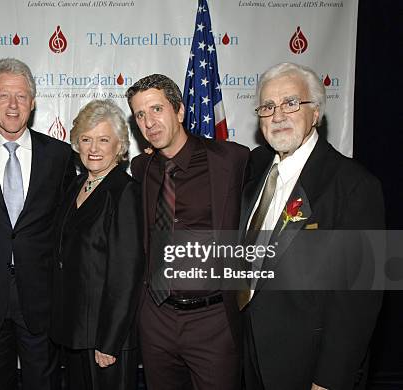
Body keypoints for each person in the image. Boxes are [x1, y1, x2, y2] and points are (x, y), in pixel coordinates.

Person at [240, 62, 384, 390]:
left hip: (307, 365)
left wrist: (330, 379)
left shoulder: (355, 186)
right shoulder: (255, 167)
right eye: (267, 106)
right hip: (250, 357)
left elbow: (359, 299)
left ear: (315, 112)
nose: (277, 116)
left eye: (291, 103)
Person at [126, 74, 249, 390]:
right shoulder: (142, 168)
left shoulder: (231, 160)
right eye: (140, 114)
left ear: (179, 111)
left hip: (213, 321)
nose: (149, 122)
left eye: (156, 109)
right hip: (156, 318)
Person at [0, 58, 76, 390]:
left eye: (21, 96)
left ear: (34, 101)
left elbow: (67, 230)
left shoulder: (60, 155)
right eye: (3, 95)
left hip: (43, 300)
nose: (12, 105)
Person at [50, 99, 144, 389]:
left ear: (120, 146)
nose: (93, 148)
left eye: (104, 140)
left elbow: (126, 275)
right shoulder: (76, 187)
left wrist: (109, 341)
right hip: (75, 332)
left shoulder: (124, 192)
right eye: (86, 139)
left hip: (105, 339)